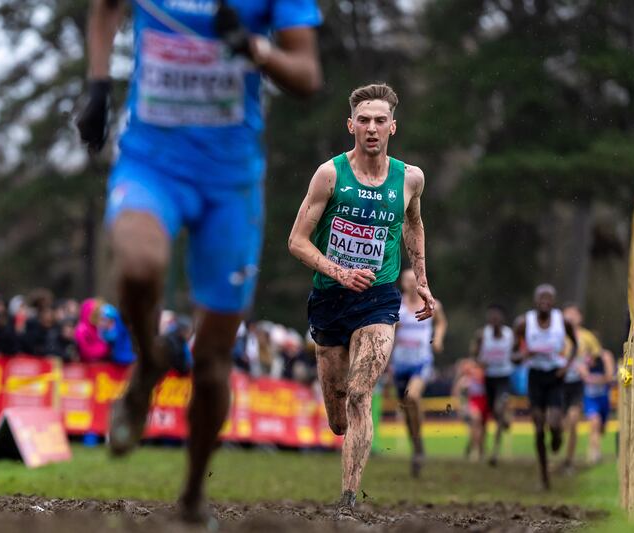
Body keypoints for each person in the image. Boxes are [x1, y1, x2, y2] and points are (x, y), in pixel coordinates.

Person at [76, 0, 322, 523]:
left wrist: (255, 49)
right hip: (150, 163)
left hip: (229, 185)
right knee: (139, 266)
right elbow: (105, 7)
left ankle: (191, 497)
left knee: (212, 363)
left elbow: (306, 74)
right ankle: (148, 365)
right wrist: (98, 84)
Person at [288, 83, 437, 517]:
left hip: (379, 299)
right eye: (364, 120)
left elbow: (414, 225)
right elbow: (296, 241)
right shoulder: (330, 175)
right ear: (350, 125)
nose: (372, 128)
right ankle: (346, 466)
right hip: (330, 299)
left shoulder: (410, 178)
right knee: (338, 416)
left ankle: (348, 503)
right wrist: (339, 271)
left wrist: (422, 279)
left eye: (380, 120)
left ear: (393, 126)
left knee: (359, 395)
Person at [514, 284, 577, 490]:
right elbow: (513, 355)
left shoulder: (562, 322)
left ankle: (557, 435)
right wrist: (523, 355)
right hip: (535, 377)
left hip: (555, 375)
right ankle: (543, 476)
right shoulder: (524, 323)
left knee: (555, 423)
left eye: (549, 298)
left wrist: (566, 366)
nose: (545, 301)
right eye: (541, 297)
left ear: (554, 301)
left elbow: (575, 345)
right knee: (539, 426)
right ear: (535, 300)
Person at [390, 268, 447, 477]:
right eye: (407, 280)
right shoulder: (397, 305)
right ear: (402, 284)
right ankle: (417, 446)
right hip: (400, 364)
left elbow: (441, 322)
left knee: (412, 397)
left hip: (421, 362)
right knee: (406, 412)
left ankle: (418, 440)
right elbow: (390, 334)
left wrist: (438, 339)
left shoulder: (432, 303)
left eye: (415, 280)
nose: (411, 284)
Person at [471, 304, 515, 466]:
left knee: (498, 408)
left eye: (497, 318)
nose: (494, 321)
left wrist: (518, 358)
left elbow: (516, 352)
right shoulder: (483, 334)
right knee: (490, 414)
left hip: (504, 377)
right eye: (492, 318)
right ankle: (483, 447)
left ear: (502, 319)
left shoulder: (510, 335)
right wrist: (479, 362)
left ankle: (495, 451)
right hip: (488, 378)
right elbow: (474, 353)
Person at [560, 303, 602, 472]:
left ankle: (569, 460)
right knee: (557, 423)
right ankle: (557, 451)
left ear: (580, 317)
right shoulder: (558, 335)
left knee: (573, 420)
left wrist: (585, 364)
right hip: (559, 383)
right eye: (567, 314)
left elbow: (596, 357)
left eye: (574, 314)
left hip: (577, 384)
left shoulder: (587, 337)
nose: (570, 317)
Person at [579, 348, 614, 464]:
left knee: (601, 428)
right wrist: (599, 379)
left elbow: (609, 377)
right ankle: (594, 451)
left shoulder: (605, 357)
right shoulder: (585, 357)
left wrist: (593, 379)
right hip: (590, 398)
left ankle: (595, 447)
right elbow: (583, 375)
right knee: (595, 422)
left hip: (603, 398)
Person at [452, 358, 488, 461]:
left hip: (484, 401)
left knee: (482, 428)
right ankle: (476, 450)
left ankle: (476, 449)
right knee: (476, 422)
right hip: (474, 401)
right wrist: (460, 405)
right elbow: (457, 390)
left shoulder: (484, 374)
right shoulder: (468, 378)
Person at [75, 298, 110, 363]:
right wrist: (105, 348)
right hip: (86, 367)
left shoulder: (97, 328)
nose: (102, 317)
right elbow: (86, 352)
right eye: (99, 314)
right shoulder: (82, 330)